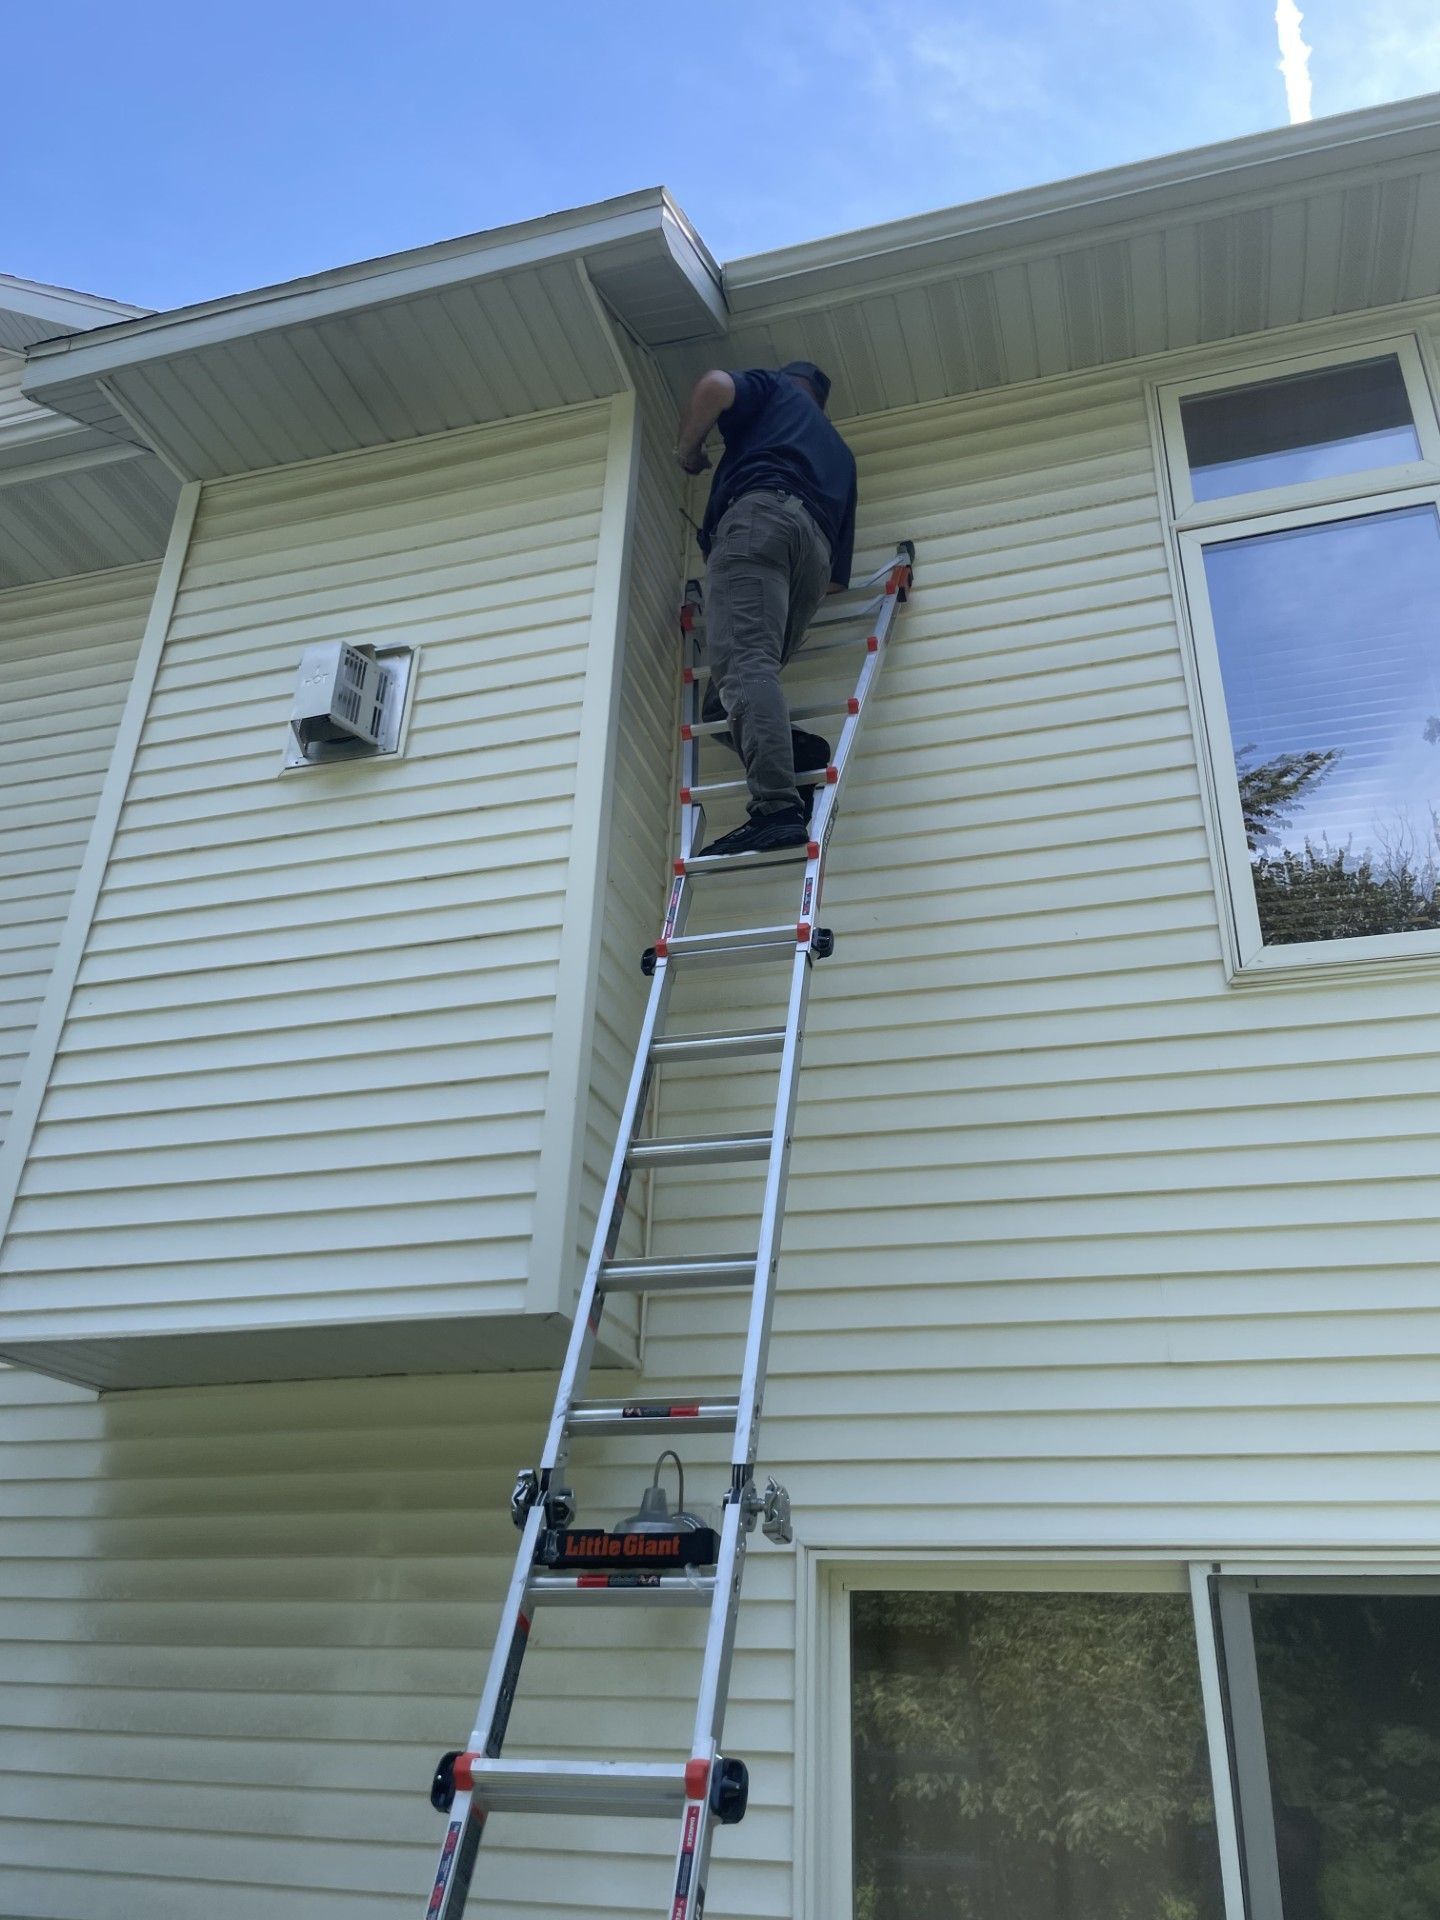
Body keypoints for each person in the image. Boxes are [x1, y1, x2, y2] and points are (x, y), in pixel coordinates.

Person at [675, 360, 858, 856]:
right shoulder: (841, 456)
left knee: (746, 665)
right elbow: (836, 582)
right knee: (724, 700)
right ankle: (802, 756)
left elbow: (713, 384)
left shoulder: (775, 391)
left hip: (759, 515)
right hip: (813, 561)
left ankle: (776, 809)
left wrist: (688, 451)